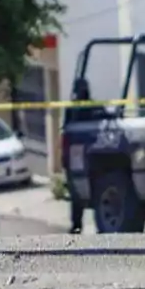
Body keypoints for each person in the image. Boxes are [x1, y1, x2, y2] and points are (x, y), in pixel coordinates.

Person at [63, 77, 91, 234]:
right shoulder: (72, 110)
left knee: (77, 193)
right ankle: (76, 224)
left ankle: (76, 224)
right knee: (76, 193)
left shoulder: (86, 108)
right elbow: (66, 135)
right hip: (76, 155)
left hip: (85, 154)